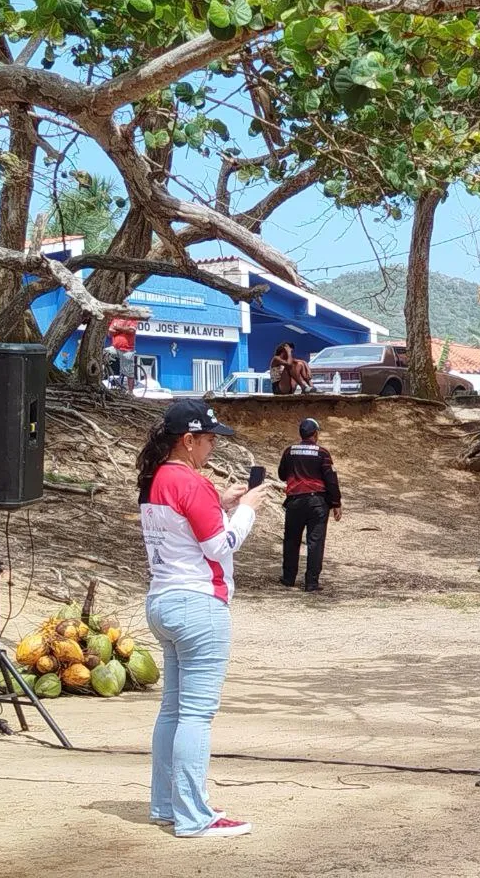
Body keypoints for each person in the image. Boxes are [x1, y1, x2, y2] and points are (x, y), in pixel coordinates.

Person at [136, 398, 267, 838]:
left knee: (173, 710)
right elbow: (220, 546)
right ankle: (193, 814)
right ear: (188, 441)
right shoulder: (191, 483)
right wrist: (246, 509)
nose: (213, 446)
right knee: (195, 714)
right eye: (209, 439)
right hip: (198, 604)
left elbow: (191, 528)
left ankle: (166, 804)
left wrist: (221, 500)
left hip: (163, 599)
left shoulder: (159, 479)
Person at [277, 417, 342, 592]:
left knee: (291, 540)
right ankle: (311, 583)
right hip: (317, 503)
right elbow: (331, 479)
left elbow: (282, 475)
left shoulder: (289, 451)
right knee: (315, 542)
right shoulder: (322, 453)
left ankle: (288, 578)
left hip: (295, 501)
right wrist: (336, 502)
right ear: (315, 434)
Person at [107, 317, 139, 388]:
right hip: (115, 348)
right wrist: (123, 329)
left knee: (129, 372)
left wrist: (118, 328)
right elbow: (110, 333)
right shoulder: (115, 319)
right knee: (104, 353)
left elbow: (131, 330)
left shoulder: (132, 319)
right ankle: (102, 373)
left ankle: (130, 392)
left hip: (127, 349)